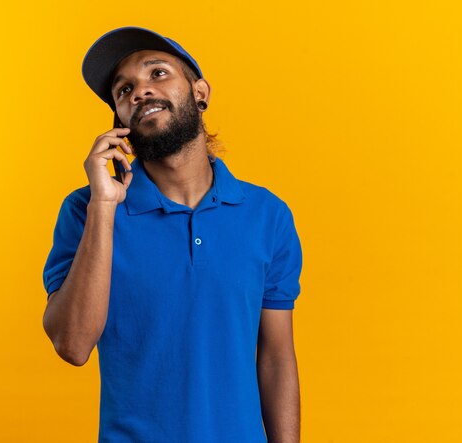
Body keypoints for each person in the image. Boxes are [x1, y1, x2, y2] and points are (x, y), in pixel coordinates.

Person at [42, 26, 303, 443]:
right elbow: (72, 345)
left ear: (200, 93)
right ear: (120, 121)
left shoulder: (266, 215)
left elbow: (274, 357)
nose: (139, 92)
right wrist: (104, 207)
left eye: (157, 74)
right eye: (123, 91)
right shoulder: (86, 210)